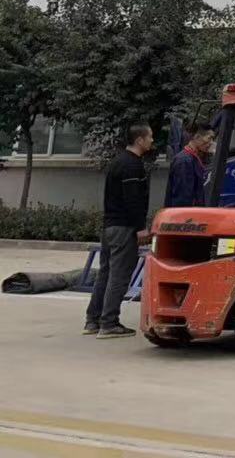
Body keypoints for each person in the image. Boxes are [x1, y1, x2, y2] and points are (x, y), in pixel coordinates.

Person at [84, 125, 154, 338]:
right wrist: (141, 227)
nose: (152, 141)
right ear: (140, 140)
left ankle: (93, 320)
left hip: (110, 226)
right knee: (119, 275)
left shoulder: (118, 161)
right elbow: (132, 200)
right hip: (124, 227)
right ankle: (109, 323)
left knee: (105, 273)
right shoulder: (132, 166)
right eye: (150, 137)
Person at [164, 122, 215, 209]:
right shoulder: (184, 161)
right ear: (197, 137)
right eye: (209, 138)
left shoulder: (194, 157)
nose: (211, 143)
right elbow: (182, 199)